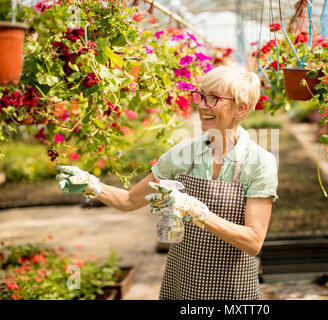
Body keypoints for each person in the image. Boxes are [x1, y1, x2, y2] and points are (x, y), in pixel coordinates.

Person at [56, 65, 279, 299]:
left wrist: (198, 212)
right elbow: (128, 200)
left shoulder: (259, 163)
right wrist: (93, 186)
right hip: (181, 285)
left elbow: (254, 241)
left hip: (234, 291)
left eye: (213, 98)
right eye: (201, 96)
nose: (202, 105)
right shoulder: (182, 155)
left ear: (241, 109)